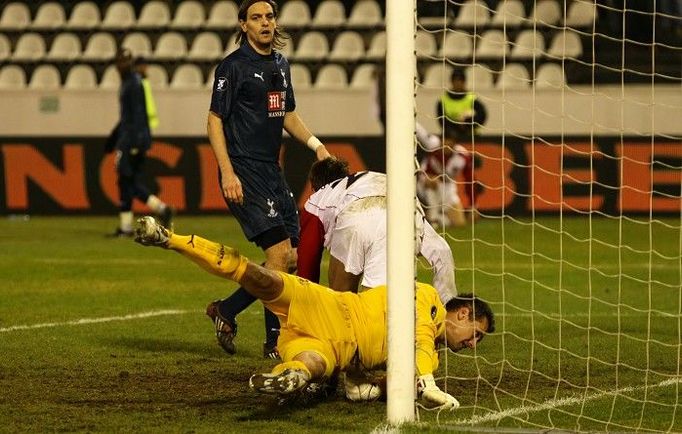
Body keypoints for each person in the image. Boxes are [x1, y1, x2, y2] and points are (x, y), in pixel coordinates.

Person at [133, 216, 496, 408]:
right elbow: (417, 333)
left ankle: (287, 376)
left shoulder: (419, 358)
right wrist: (428, 382)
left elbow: (374, 380)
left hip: (336, 350)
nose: (473, 345)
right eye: (475, 334)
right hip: (328, 308)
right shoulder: (428, 297)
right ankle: (170, 239)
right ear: (461, 313)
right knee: (259, 276)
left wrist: (385, 388)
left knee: (313, 365)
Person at [205, 0, 331, 359]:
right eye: (256, 17)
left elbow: (286, 112)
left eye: (270, 17)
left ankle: (227, 310)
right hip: (244, 170)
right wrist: (227, 171)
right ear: (243, 25)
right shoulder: (233, 67)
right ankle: (274, 344)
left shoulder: (280, 64)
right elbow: (214, 120)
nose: (265, 23)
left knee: (289, 259)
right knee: (277, 255)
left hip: (271, 172)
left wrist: (316, 145)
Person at [298, 158, 457, 304]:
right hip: (402, 205)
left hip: (357, 217)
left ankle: (349, 330)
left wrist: (305, 302)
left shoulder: (317, 199)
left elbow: (307, 262)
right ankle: (449, 316)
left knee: (343, 302)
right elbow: (441, 252)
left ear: (313, 188)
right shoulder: (369, 177)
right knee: (443, 252)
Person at [106, 49, 173, 237]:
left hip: (131, 141)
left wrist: (135, 143)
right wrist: (114, 137)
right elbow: (128, 117)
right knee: (128, 182)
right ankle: (159, 210)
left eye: (125, 61)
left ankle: (151, 213)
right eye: (120, 61)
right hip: (131, 138)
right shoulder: (130, 83)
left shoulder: (133, 84)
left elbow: (136, 116)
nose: (122, 65)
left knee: (126, 181)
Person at [436, 68, 487, 217]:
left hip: (470, 139)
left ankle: (472, 205)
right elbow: (441, 119)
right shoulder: (444, 99)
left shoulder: (472, 98)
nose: (458, 83)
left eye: (460, 80)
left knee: (470, 175)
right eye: (455, 80)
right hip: (452, 142)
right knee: (448, 175)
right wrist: (455, 129)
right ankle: (444, 208)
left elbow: (482, 116)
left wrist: (468, 123)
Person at [416, 123, 467, 228]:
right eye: (444, 141)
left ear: (454, 144)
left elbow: (470, 178)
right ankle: (433, 218)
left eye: (450, 142)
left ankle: (438, 219)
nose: (446, 144)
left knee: (459, 223)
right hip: (425, 185)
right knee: (433, 180)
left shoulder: (462, 156)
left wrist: (473, 205)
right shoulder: (432, 144)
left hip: (448, 188)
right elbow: (420, 132)